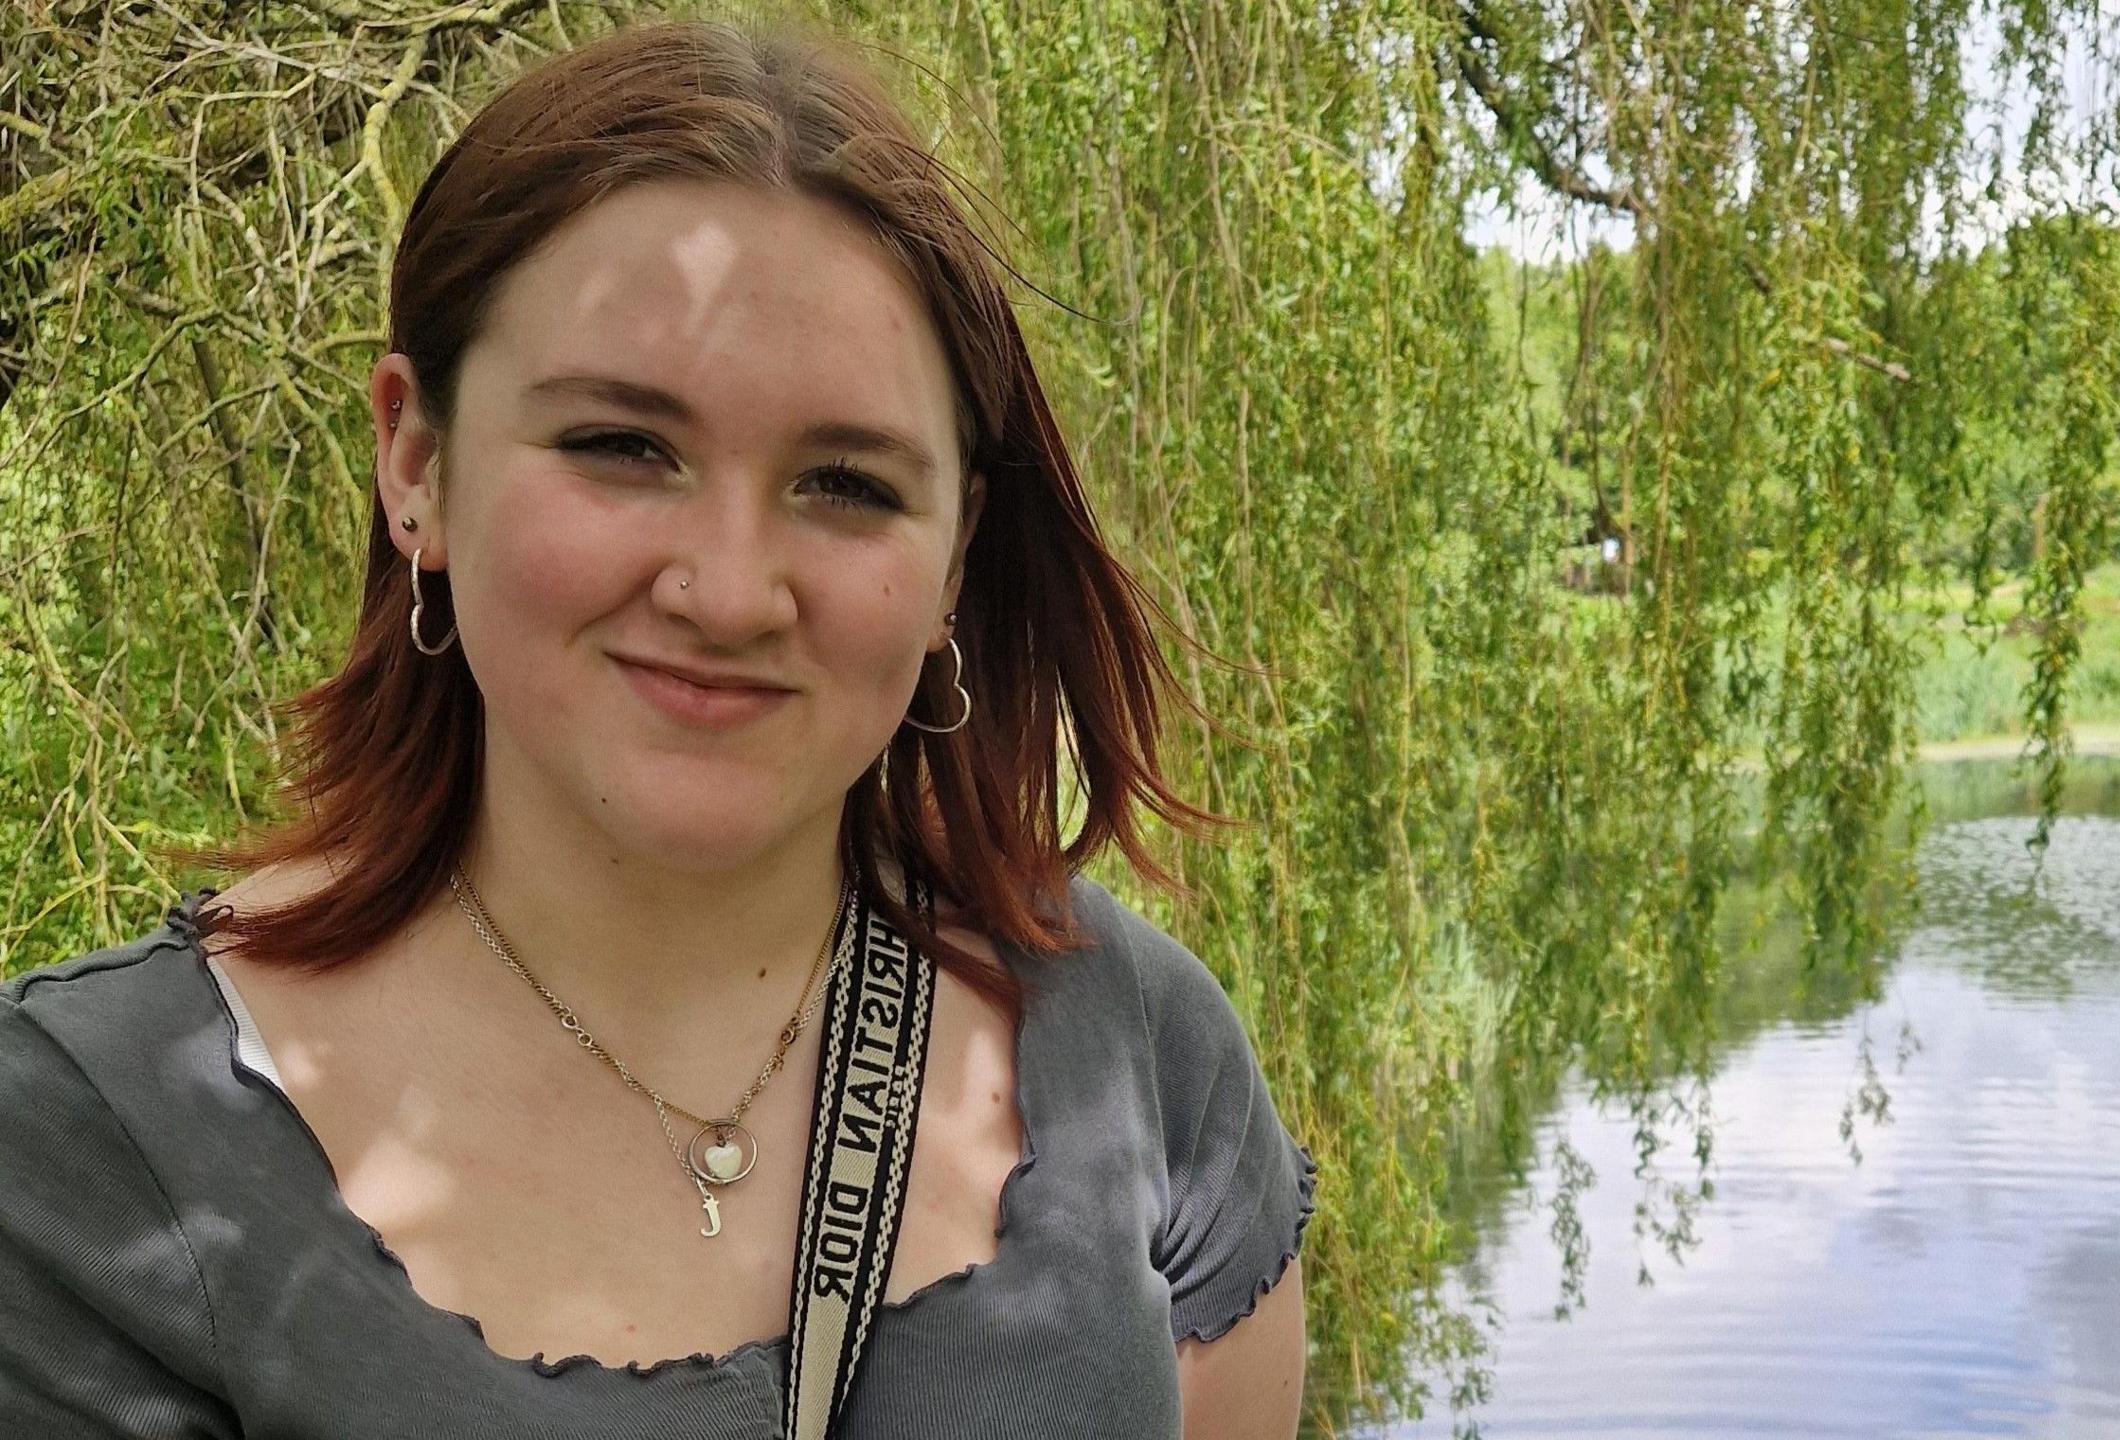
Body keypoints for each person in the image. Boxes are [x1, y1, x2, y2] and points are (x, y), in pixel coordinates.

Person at [0, 19, 1313, 1439]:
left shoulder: (1128, 1039)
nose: (732, 591)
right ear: (417, 464)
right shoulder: (90, 1153)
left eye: (847, 483)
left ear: (952, 558)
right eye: (624, 447)